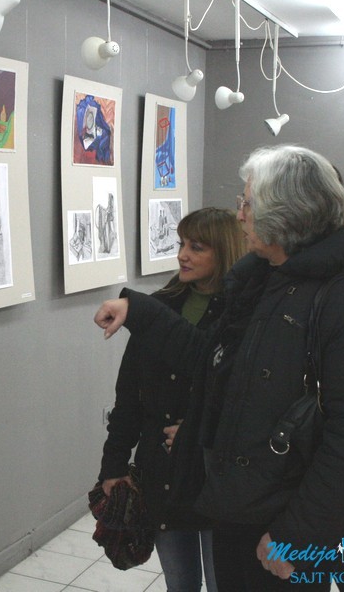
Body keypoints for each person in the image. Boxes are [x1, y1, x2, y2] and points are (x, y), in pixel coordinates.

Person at [94, 145, 344, 591]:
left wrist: (296, 535)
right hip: (236, 510)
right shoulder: (261, 284)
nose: (239, 215)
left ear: (284, 214)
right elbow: (212, 363)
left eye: (248, 204)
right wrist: (139, 310)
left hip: (283, 525)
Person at [99, 208, 244, 592]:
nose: (182, 255)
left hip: (214, 476)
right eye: (181, 244)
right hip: (162, 473)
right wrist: (114, 465)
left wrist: (197, 431)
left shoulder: (242, 316)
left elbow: (240, 396)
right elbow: (129, 397)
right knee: (179, 583)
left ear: (224, 251)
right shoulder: (158, 306)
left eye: (197, 247)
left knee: (223, 583)